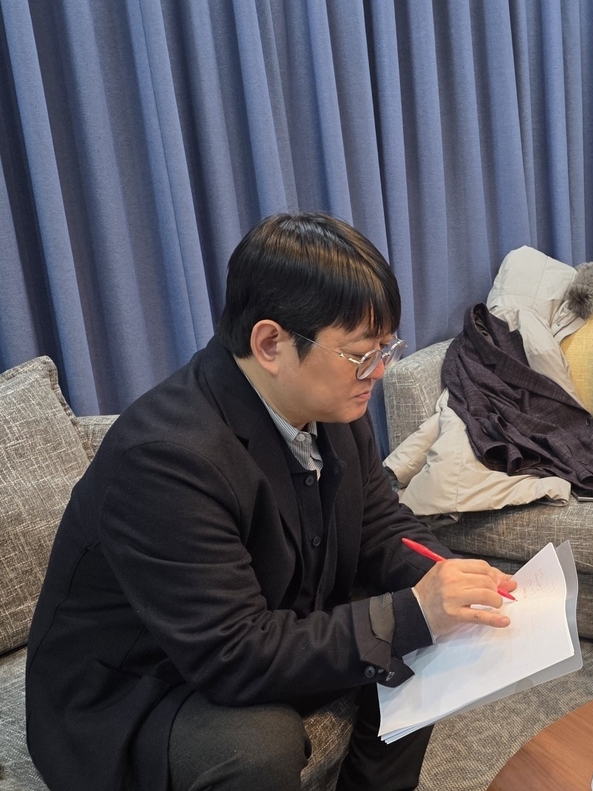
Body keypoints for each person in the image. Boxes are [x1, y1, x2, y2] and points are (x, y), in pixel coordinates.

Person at [25, 212, 516, 791]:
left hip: (258, 623)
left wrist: (451, 579)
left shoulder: (333, 407)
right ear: (270, 343)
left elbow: (380, 525)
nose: (380, 371)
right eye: (362, 354)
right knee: (259, 744)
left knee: (425, 630)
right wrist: (414, 611)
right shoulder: (166, 458)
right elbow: (233, 655)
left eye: (386, 347)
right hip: (139, 688)